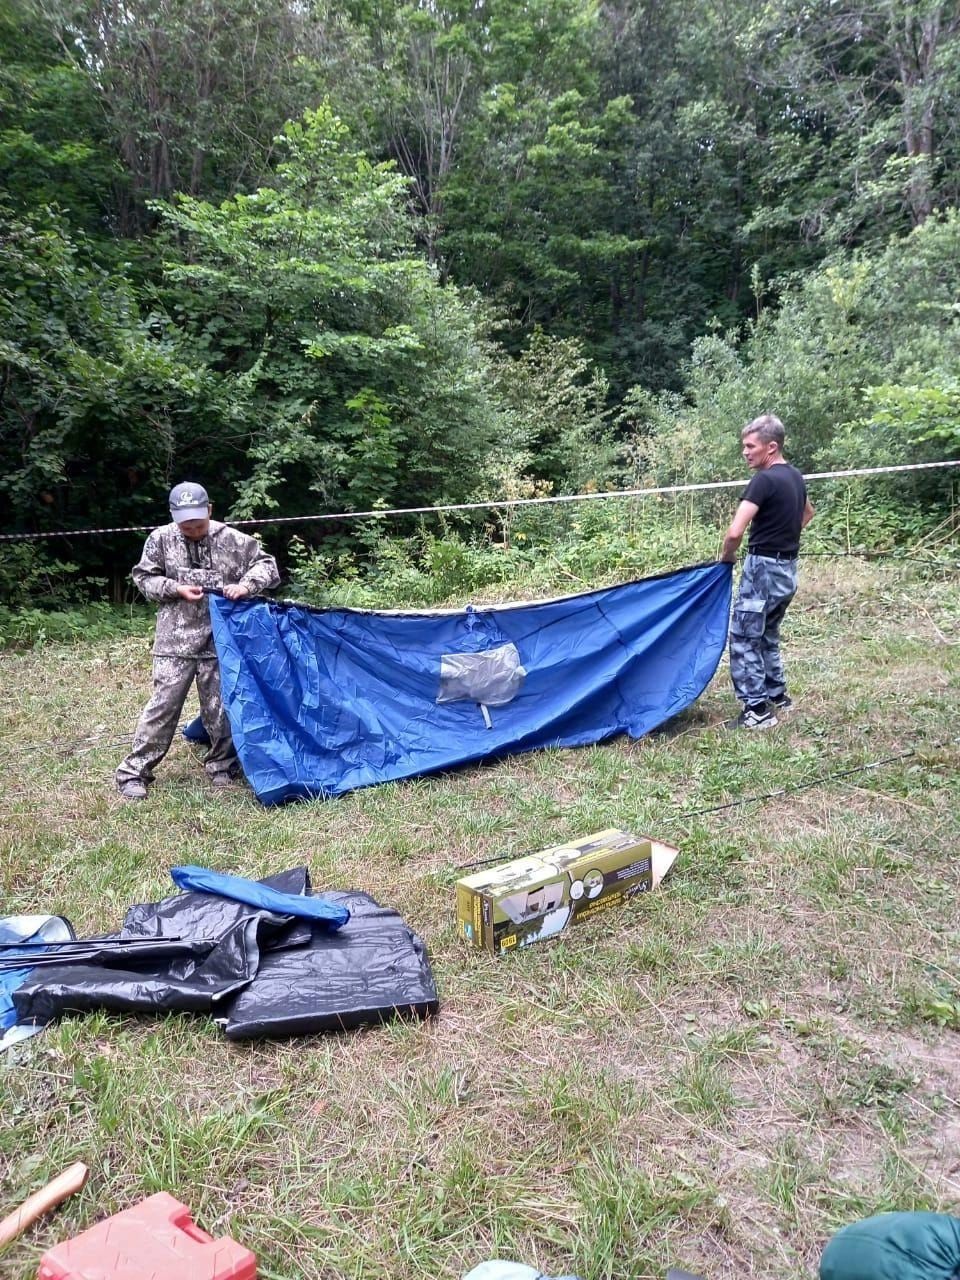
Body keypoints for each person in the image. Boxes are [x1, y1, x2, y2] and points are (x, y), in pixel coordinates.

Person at [115, 482, 280, 799]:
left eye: (198, 522)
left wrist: (246, 586)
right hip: (174, 642)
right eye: (185, 523)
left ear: (210, 510)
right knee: (162, 707)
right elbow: (144, 578)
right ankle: (134, 773)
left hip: (220, 641)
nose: (192, 529)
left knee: (220, 709)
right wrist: (175, 588)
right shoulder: (160, 539)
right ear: (173, 516)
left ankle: (222, 766)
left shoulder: (232, 539)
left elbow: (268, 566)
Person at [719, 414, 814, 730]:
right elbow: (808, 513)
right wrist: (784, 534)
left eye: (750, 446)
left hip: (762, 569)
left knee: (745, 637)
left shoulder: (764, 480)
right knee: (767, 634)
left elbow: (735, 532)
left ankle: (756, 711)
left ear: (771, 447)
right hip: (787, 569)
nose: (745, 452)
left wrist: (727, 559)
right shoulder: (795, 477)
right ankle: (778, 695)